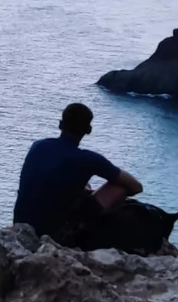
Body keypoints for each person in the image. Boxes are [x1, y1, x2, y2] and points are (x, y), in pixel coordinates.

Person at [13, 102, 143, 243]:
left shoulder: (38, 146)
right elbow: (136, 187)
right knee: (118, 188)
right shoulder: (88, 159)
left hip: (20, 226)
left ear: (60, 124)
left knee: (77, 186)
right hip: (54, 234)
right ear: (88, 130)